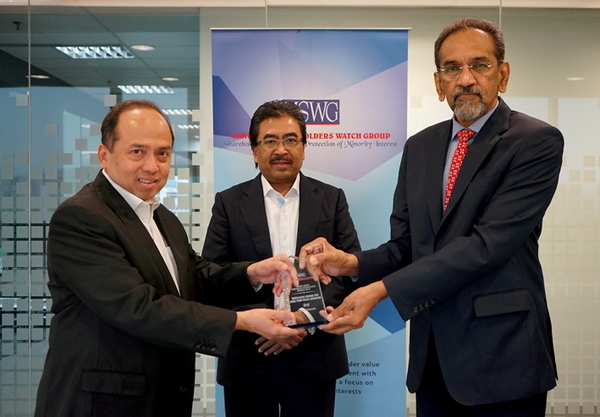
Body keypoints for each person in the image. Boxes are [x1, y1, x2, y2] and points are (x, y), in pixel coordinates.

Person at [301, 18, 563, 417]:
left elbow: (485, 248)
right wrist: (351, 263)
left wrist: (379, 291)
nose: (466, 79)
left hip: (504, 357)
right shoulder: (420, 147)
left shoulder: (534, 142)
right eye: (452, 68)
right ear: (438, 82)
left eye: (480, 64)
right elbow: (406, 246)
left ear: (503, 74)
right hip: (434, 358)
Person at [34, 99, 302, 417]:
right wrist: (240, 321)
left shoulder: (163, 218)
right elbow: (138, 307)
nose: (152, 165)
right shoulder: (81, 217)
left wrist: (253, 274)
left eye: (162, 153)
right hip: (103, 403)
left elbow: (195, 277)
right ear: (104, 155)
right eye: (137, 151)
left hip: (159, 396)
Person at [202, 99, 361, 417]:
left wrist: (302, 321)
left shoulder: (331, 199)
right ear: (254, 150)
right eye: (270, 141)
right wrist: (266, 324)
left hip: (314, 356)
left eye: (291, 139)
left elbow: (348, 270)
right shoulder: (229, 203)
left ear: (304, 146)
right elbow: (213, 277)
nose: (281, 150)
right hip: (249, 354)